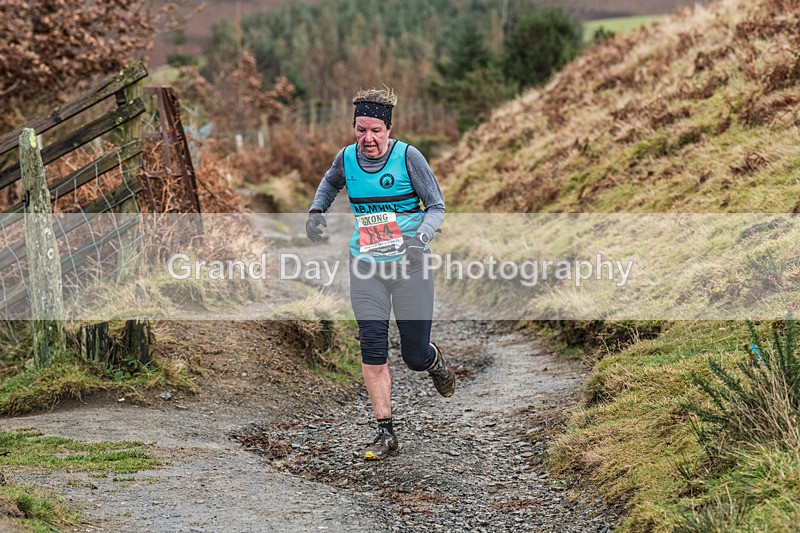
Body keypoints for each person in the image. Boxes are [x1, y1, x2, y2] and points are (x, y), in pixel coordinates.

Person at [306, 86, 455, 460]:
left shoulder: (409, 158)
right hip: (366, 265)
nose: (368, 139)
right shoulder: (346, 158)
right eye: (361, 130)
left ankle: (434, 361)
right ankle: (385, 432)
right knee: (372, 346)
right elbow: (329, 182)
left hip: (410, 265)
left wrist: (421, 236)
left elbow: (436, 206)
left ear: (388, 129)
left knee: (413, 355)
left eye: (376, 130)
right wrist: (316, 210)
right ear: (354, 128)